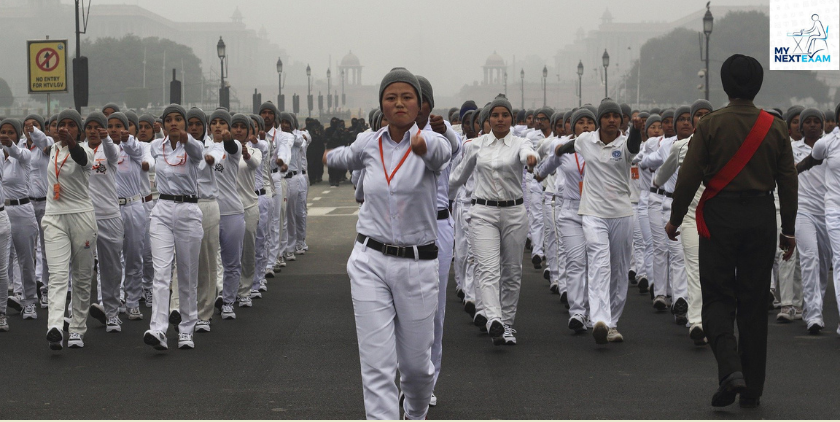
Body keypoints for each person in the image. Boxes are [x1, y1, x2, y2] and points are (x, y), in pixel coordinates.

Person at [666, 54, 797, 408]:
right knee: (754, 302)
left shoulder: (709, 125)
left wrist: (676, 219)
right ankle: (752, 387)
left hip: (719, 215)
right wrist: (789, 229)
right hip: (760, 214)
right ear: (758, 85)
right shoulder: (776, 126)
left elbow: (688, 177)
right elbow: (788, 182)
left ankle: (729, 368)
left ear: (725, 85)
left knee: (717, 295)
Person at [326, 68, 452, 420]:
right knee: (377, 365)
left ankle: (415, 410)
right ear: (382, 104)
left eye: (406, 97)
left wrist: (423, 145)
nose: (399, 103)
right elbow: (346, 156)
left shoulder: (434, 142)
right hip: (370, 260)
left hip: (417, 264)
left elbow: (442, 156)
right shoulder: (369, 142)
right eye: (391, 97)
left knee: (416, 368)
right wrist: (327, 155)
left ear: (419, 105)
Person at [450, 95, 538, 346]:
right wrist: (436, 202)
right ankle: (494, 319)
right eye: (495, 115)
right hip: (483, 213)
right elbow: (458, 177)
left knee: (511, 271)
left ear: (511, 119)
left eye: (505, 115)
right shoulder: (475, 146)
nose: (500, 119)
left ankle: (507, 323)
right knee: (487, 269)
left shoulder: (521, 143)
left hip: (514, 212)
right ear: (488, 119)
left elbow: (527, 154)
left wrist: (531, 160)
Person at [554, 100, 642, 344]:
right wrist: (559, 151)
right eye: (607, 116)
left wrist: (636, 130)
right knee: (599, 263)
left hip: (621, 214)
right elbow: (571, 145)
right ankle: (599, 319)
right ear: (600, 120)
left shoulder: (625, 142)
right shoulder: (586, 140)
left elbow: (634, 147)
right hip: (592, 213)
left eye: (616, 116)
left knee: (619, 269)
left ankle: (612, 323)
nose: (612, 120)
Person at [142, 104, 207, 351]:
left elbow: (195, 151)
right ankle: (158, 329)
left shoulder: (195, 146)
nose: (173, 123)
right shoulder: (156, 146)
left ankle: (186, 329)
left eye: (178, 119)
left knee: (187, 274)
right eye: (169, 120)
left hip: (188, 211)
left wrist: (185, 136)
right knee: (161, 272)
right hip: (162, 209)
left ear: (185, 123)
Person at [654, 99, 713, 344]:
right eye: (697, 115)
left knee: (719, 271)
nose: (701, 118)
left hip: (720, 216)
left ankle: (716, 319)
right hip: (689, 217)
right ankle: (697, 322)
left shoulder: (726, 146)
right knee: (695, 267)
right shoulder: (680, 147)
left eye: (707, 114)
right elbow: (660, 177)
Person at [535, 108, 597, 332]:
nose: (586, 126)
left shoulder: (601, 148)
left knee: (594, 264)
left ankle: (594, 312)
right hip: (570, 210)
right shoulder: (562, 148)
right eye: (581, 122)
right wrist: (540, 166)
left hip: (596, 211)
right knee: (575, 261)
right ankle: (577, 312)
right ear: (572, 126)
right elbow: (542, 171)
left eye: (590, 122)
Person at [43, 109, 97, 350]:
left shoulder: (86, 150)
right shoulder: (53, 149)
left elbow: (80, 158)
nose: (65, 128)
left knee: (82, 276)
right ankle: (55, 326)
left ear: (79, 130)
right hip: (54, 217)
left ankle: (77, 328)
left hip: (81, 217)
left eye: (71, 125)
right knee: (57, 275)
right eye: (60, 124)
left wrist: (73, 142)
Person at [83, 111, 125, 333]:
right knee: (81, 269)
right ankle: (76, 317)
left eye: (96, 127)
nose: (92, 131)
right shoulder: (78, 149)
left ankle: (112, 314)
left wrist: (106, 137)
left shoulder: (110, 149)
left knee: (111, 269)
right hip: (84, 217)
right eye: (89, 127)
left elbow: (113, 153)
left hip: (109, 216)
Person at [790, 108, 831, 334]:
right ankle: (814, 314)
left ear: (823, 125)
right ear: (801, 126)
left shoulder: (830, 147)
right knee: (810, 258)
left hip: (828, 212)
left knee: (823, 265)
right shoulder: (792, 148)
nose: (813, 125)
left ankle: (814, 305)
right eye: (809, 122)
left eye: (817, 121)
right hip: (802, 210)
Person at [20, 115, 53, 309]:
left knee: (47, 248)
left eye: (34, 126)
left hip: (46, 203)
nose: (29, 129)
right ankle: (25, 292)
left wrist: (36, 132)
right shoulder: (18, 148)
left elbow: (42, 140)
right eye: (26, 126)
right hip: (25, 205)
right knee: (25, 252)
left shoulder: (46, 146)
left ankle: (46, 287)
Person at [232, 114, 263, 309]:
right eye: (235, 126)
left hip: (249, 206)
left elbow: (254, 164)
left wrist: (245, 154)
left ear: (249, 131)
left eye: (243, 127)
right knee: (227, 253)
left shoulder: (254, 151)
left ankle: (244, 291)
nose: (238, 130)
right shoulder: (220, 152)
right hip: (227, 209)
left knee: (248, 251)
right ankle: (227, 291)